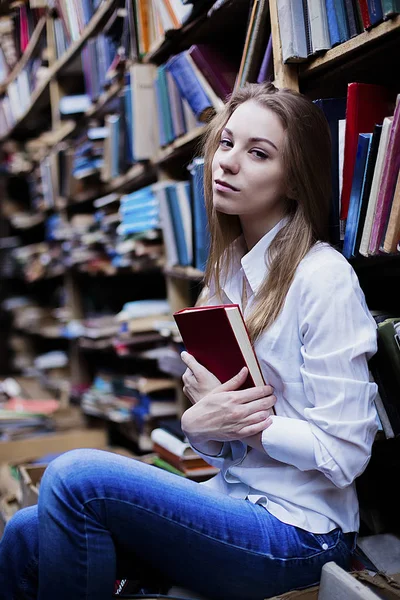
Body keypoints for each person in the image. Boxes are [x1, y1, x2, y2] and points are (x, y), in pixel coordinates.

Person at [0, 82, 379, 600]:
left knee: (75, 474)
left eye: (258, 153)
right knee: (25, 530)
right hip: (234, 499)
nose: (227, 163)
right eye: (226, 143)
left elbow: (346, 453)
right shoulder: (225, 271)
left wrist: (252, 427)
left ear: (295, 180)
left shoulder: (322, 277)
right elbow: (220, 440)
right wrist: (199, 429)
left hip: (301, 532)